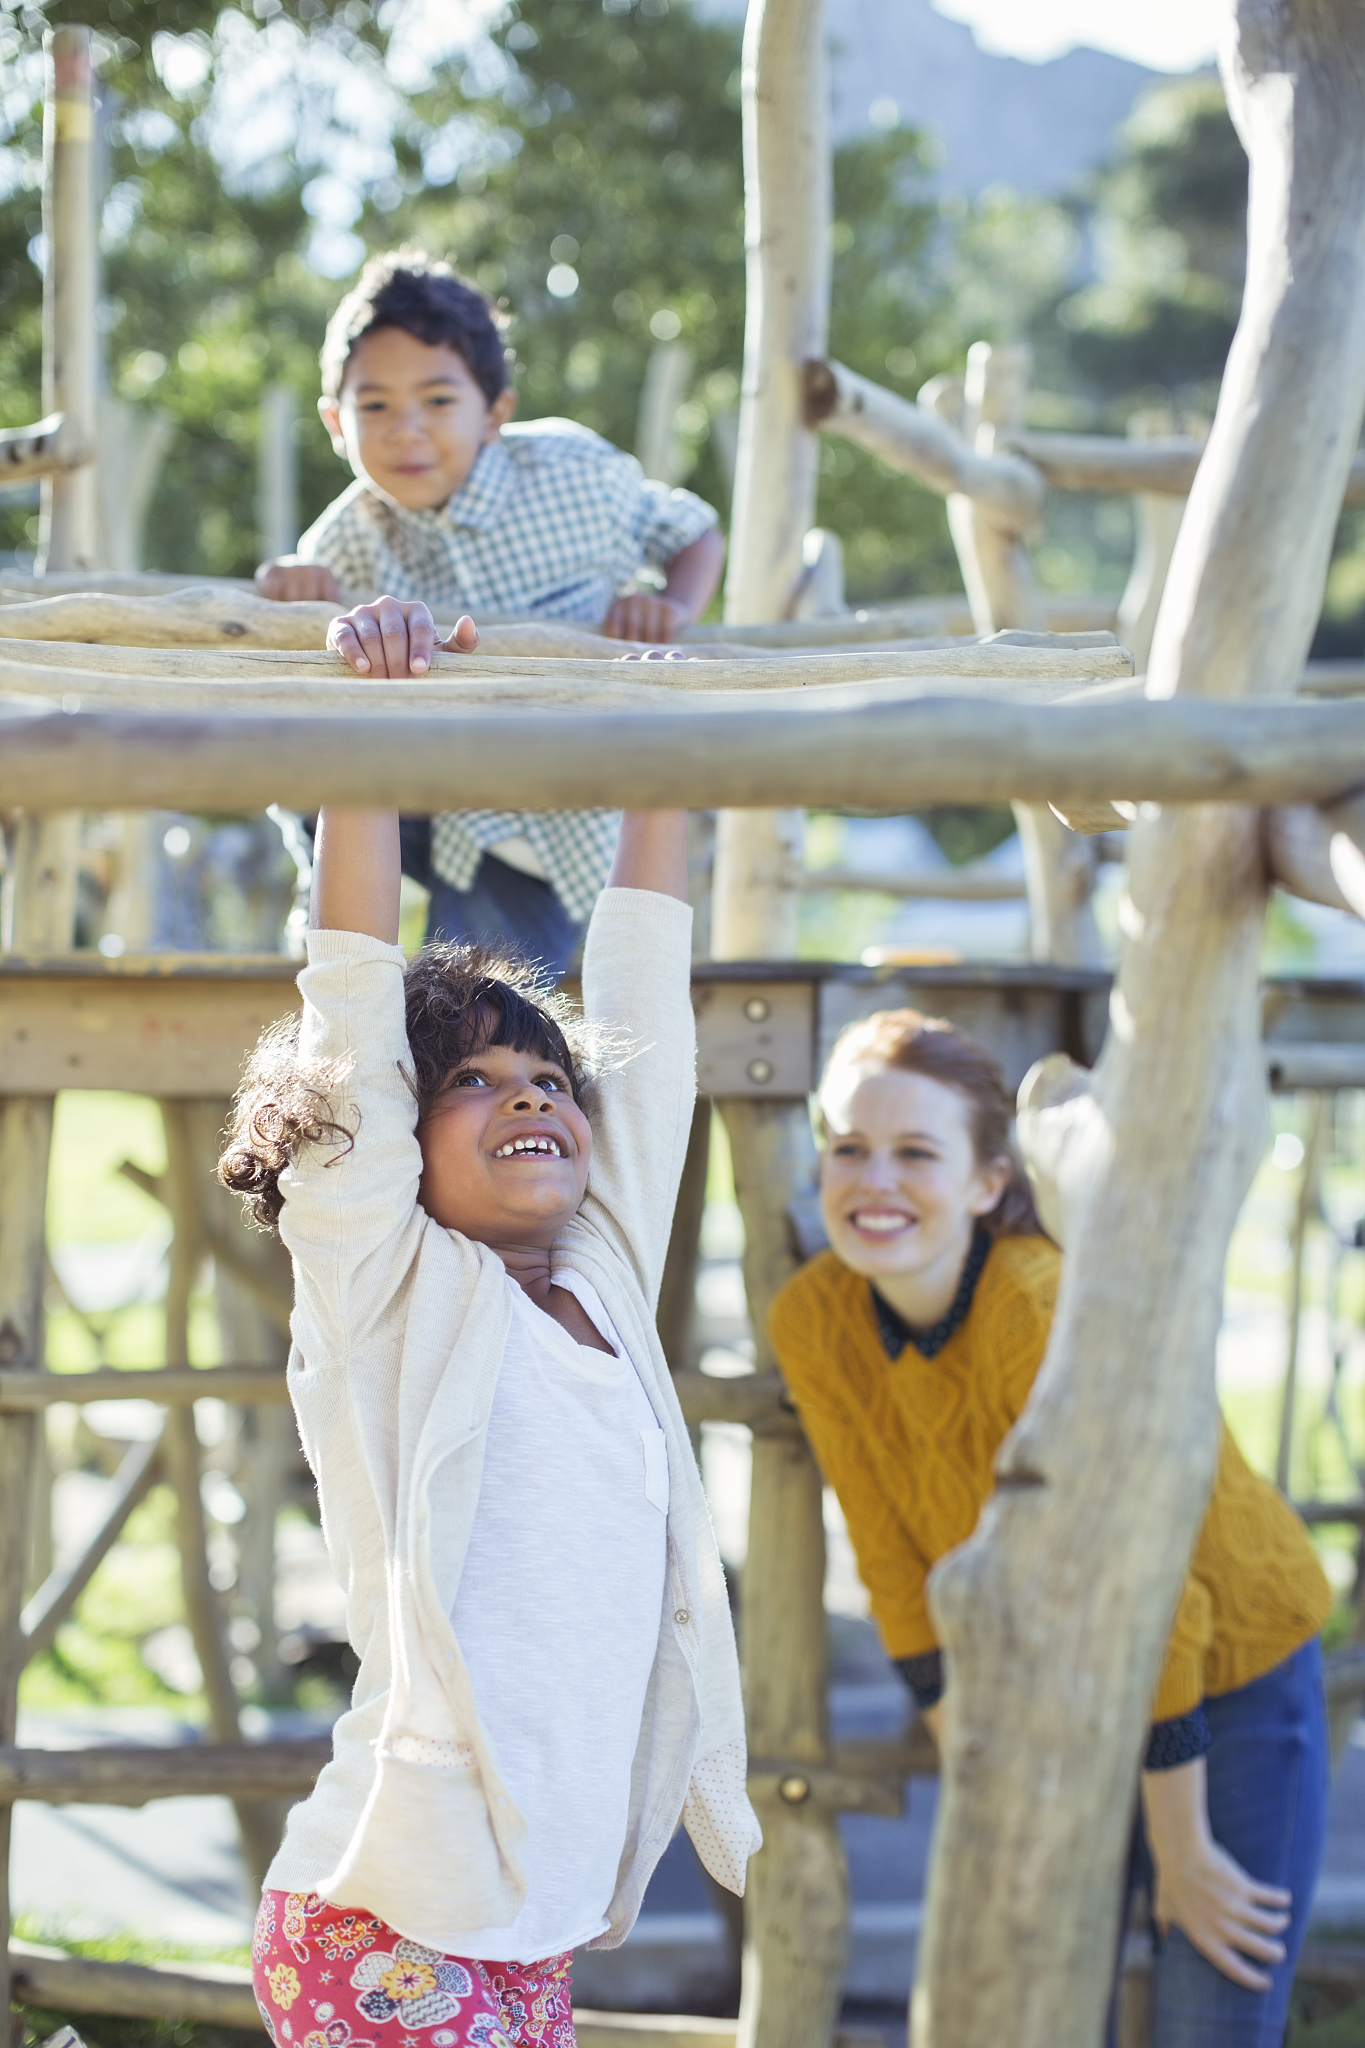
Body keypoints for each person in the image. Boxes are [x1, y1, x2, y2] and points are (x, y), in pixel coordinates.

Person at [219, 738, 759, 2048]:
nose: (528, 1095)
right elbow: (351, 1010)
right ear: (399, 1137)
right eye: (471, 1078)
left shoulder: (604, 1275)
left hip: (534, 1932)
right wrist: (374, 723)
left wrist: (655, 735)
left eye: (549, 1081)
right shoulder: (390, 1285)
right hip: (387, 1918)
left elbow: (647, 1007)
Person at [767, 1006, 1333, 2046]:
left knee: (1207, 2005)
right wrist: (978, 1766)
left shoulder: (1036, 1312)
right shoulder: (814, 1317)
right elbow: (890, 1563)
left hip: (1224, 1661)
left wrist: (1181, 1845)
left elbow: (1158, 1596)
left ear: (988, 1182)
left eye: (915, 1152)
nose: (874, 1179)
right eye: (848, 1147)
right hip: (1049, 1687)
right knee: (1032, 2006)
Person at [256, 249, 725, 974]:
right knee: (304, 729)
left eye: (438, 401)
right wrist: (294, 592)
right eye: (374, 406)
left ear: (496, 413)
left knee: (475, 1003)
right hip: (419, 793)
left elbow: (694, 531)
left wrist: (669, 606)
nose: (406, 429)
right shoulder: (344, 536)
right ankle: (324, 903)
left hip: (544, 823)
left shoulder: (576, 475)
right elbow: (300, 626)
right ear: (335, 423)